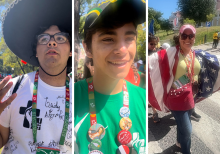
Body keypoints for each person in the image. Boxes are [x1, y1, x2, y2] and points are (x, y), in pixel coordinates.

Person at [0, 0, 72, 153]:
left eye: (60, 38)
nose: (52, 43)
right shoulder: (13, 88)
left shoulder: (82, 94)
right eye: (44, 39)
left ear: (71, 50)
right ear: (36, 52)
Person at [74, 0, 146, 153]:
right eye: (108, 39)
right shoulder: (68, 102)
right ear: (87, 49)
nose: (122, 49)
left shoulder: (144, 100)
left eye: (129, 38)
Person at [149, 24, 201, 154]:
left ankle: (179, 143)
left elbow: (193, 72)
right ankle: (186, 151)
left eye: (191, 36)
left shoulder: (193, 53)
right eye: (184, 35)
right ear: (179, 37)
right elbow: (151, 61)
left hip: (190, 98)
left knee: (182, 126)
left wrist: (193, 79)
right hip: (176, 99)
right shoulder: (171, 53)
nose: (188, 39)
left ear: (194, 38)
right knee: (188, 130)